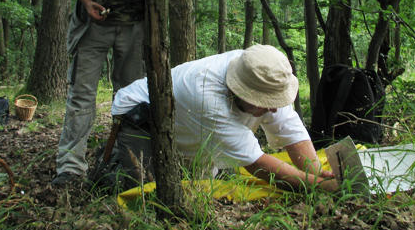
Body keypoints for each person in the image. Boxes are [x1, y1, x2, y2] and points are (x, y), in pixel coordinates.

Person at [109, 45, 338, 193]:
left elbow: (291, 130)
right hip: (141, 115)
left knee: (200, 190)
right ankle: (111, 166)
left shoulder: (264, 72)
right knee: (148, 192)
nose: (274, 110)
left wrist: (315, 172)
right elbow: (258, 164)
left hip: (189, 122)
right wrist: (320, 187)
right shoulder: (206, 95)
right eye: (266, 102)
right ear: (241, 91)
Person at [52, 0, 146, 185]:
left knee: (131, 98)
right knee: (81, 95)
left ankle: (127, 162)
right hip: (94, 26)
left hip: (135, 29)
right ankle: (70, 166)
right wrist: (86, 1)